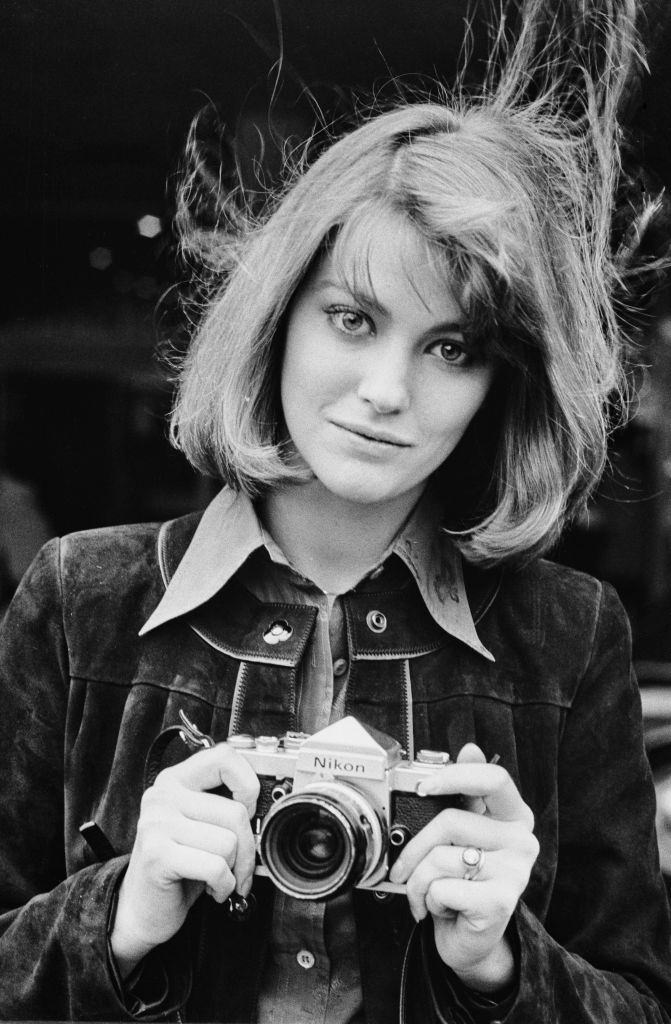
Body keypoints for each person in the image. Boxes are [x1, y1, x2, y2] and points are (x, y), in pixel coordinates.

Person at [1, 1, 671, 1021]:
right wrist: (122, 913)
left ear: (501, 382)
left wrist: (499, 963)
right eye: (351, 318)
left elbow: (639, 1001)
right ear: (279, 320)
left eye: (451, 347)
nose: (385, 389)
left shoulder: (567, 636)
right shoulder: (79, 599)